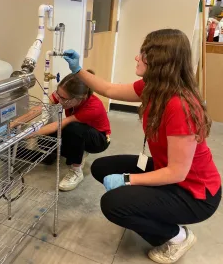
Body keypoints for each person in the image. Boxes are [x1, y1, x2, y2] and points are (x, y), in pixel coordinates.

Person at [63, 29, 221, 264]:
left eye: (143, 54)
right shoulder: (154, 88)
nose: (137, 58)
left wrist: (127, 180)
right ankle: (147, 208)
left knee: (113, 205)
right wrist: (78, 70)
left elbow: (177, 172)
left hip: (194, 193)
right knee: (102, 168)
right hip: (167, 171)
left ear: (160, 61)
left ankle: (177, 237)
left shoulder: (181, 106)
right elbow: (109, 89)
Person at [32, 70, 111, 191]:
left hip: (99, 139)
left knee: (73, 127)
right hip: (79, 131)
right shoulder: (63, 94)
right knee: (44, 141)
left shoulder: (93, 106)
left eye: (64, 99)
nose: (60, 101)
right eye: (58, 96)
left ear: (80, 98)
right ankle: (78, 151)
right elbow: (40, 107)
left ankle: (76, 171)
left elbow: (61, 124)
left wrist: (26, 134)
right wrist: (14, 123)